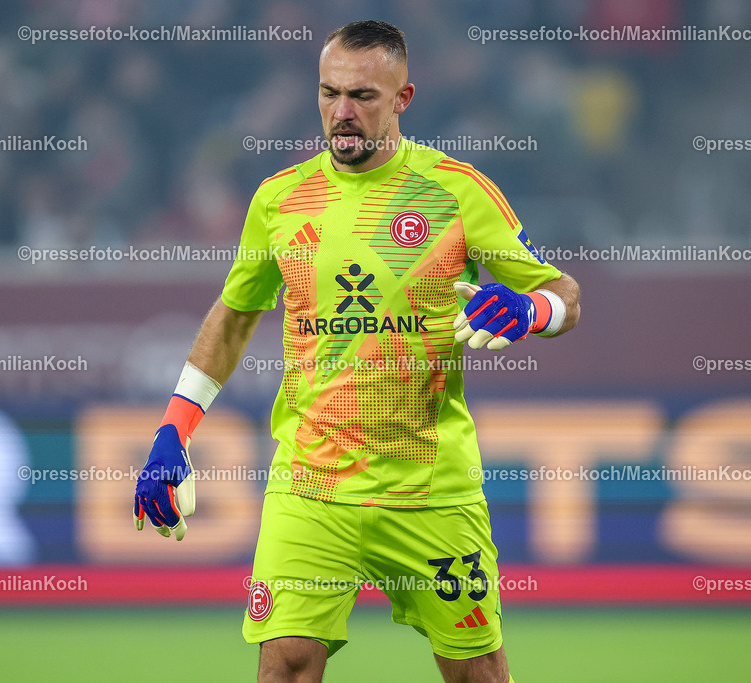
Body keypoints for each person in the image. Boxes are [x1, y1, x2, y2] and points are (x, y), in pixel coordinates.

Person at [134, 19, 581, 683]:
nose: (341, 112)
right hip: (311, 484)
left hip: (428, 487)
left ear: (402, 99)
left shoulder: (456, 191)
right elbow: (233, 316)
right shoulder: (280, 200)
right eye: (329, 93)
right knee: (283, 664)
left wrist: (532, 309)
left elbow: (565, 294)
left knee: (477, 673)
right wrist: (173, 429)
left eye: (362, 97)